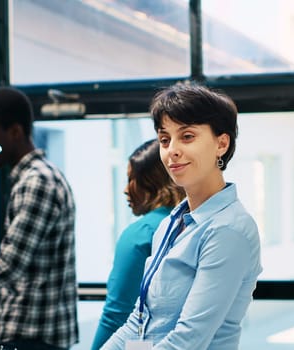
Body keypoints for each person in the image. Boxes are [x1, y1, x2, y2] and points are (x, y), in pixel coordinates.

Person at [101, 83, 262, 350]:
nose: (171, 150)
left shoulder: (228, 229)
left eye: (187, 136)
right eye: (165, 140)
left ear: (221, 143)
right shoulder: (170, 224)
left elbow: (189, 339)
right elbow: (139, 323)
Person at [0, 86, 78, 350]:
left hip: (33, 336)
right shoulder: (37, 178)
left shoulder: (36, 182)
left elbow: (9, 266)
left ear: (15, 131)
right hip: (34, 335)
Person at [91, 139, 185, 350]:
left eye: (132, 179)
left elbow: (116, 315)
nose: (126, 190)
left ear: (152, 183)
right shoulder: (193, 224)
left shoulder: (140, 234)